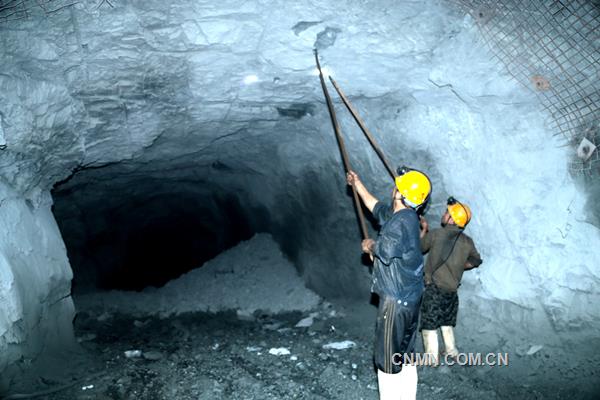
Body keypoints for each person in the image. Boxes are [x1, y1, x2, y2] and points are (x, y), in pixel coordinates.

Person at [346, 166, 432, 400]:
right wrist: (358, 183)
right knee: (404, 356)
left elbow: (386, 248)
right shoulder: (407, 217)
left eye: (397, 185)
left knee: (387, 361)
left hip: (395, 302)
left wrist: (370, 246)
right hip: (410, 300)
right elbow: (377, 208)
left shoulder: (400, 222)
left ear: (399, 193)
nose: (393, 186)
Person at [419, 196, 482, 365]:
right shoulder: (467, 242)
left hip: (434, 289)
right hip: (452, 292)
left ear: (452, 218)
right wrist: (460, 265)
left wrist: (424, 229)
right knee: (446, 321)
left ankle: (431, 359)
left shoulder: (437, 234)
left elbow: (419, 247)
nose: (444, 213)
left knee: (429, 323)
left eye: (447, 212)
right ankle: (451, 351)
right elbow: (476, 261)